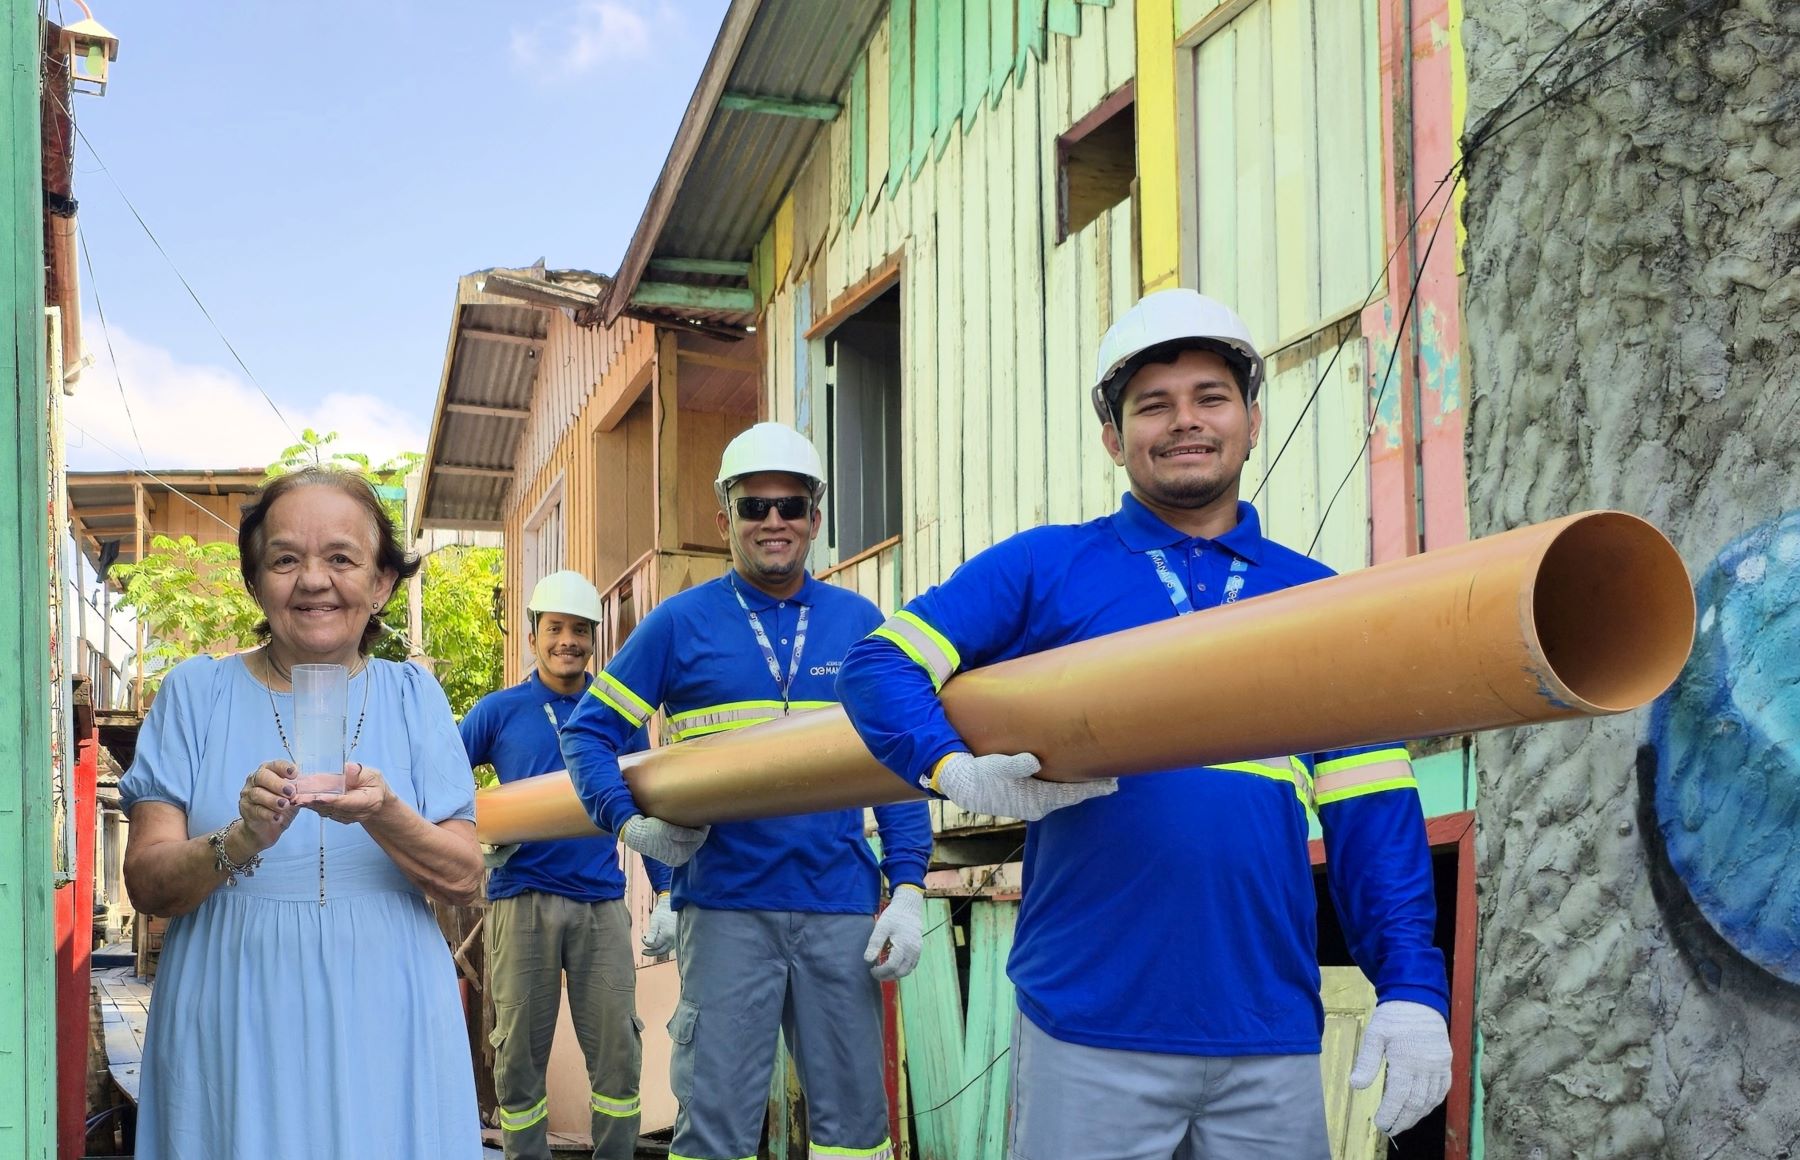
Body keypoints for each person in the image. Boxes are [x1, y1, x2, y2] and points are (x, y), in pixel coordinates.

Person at [837, 289, 1453, 1159]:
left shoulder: (1320, 599)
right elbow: (879, 665)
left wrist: (1412, 989)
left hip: (1269, 1037)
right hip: (1089, 1030)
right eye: (1152, 406)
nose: (1184, 422)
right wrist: (952, 769)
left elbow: (1372, 812)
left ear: (1250, 417)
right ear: (1113, 436)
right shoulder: (1048, 568)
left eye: (1210, 397)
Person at [559, 422, 934, 1160]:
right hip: (726, 909)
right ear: (722, 514)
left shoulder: (859, 624)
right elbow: (588, 733)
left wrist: (912, 886)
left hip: (840, 909)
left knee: (856, 1130)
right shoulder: (680, 624)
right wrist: (633, 827)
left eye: (790, 506)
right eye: (753, 504)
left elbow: (895, 757)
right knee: (716, 1129)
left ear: (815, 519)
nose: (773, 521)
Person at [119, 466, 484, 1160]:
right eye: (285, 559)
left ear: (380, 583)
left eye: (342, 558)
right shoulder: (196, 693)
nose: (314, 580)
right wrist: (239, 838)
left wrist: (384, 814)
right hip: (235, 1010)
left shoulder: (414, 698)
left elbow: (463, 878)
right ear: (256, 582)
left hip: (390, 1008)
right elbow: (146, 882)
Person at [459, 569, 673, 1160]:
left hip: (599, 902)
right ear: (534, 635)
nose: (567, 642)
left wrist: (668, 894)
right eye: (555, 629)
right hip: (520, 898)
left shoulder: (618, 716)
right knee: (520, 1055)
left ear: (593, 638)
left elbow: (649, 801)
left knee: (617, 1052)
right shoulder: (498, 712)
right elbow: (444, 778)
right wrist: (469, 839)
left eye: (580, 630)